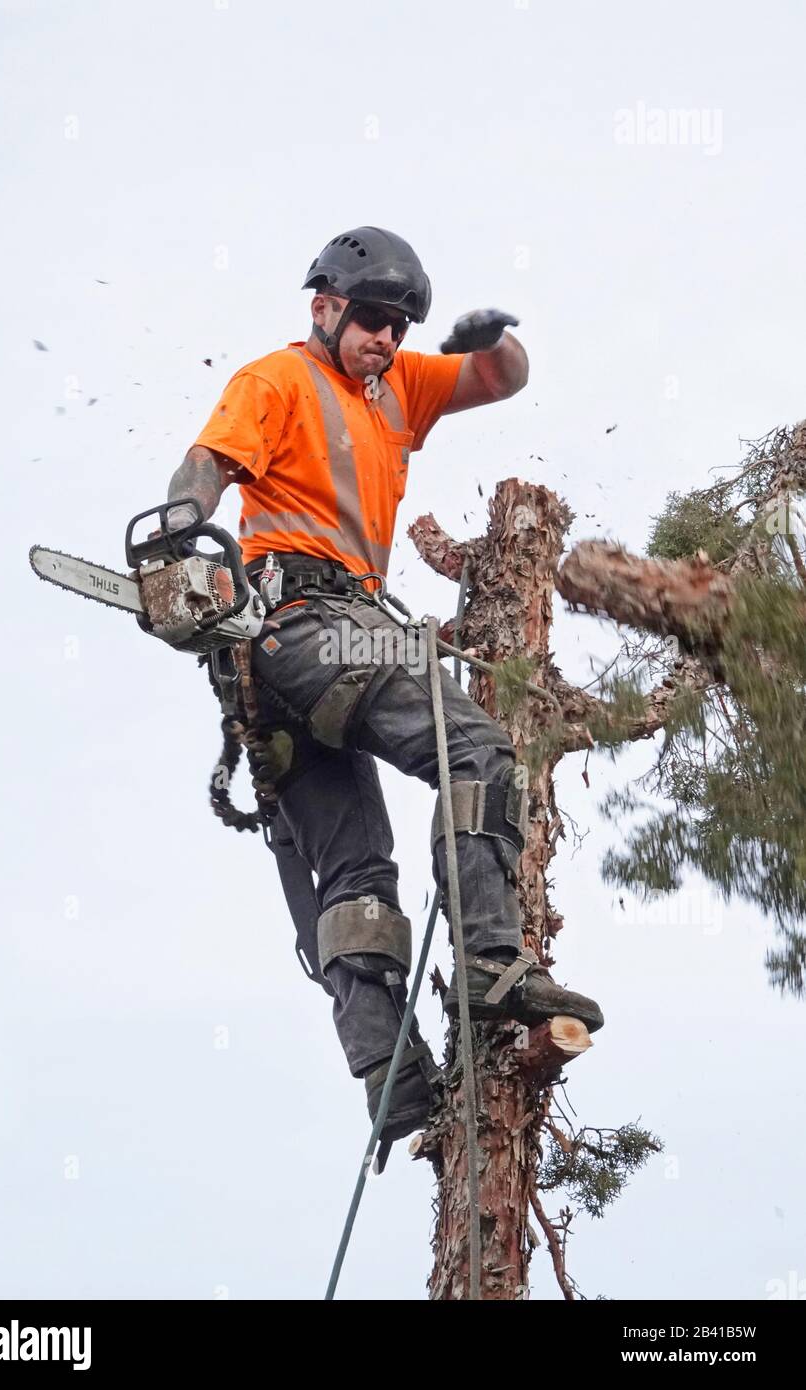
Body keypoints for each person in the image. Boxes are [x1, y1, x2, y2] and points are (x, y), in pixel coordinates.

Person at [165, 227, 603, 1148]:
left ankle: (390, 1077)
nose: (386, 339)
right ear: (324, 306)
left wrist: (489, 335)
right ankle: (492, 961)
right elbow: (206, 468)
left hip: (302, 657)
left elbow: (506, 377)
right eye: (371, 319)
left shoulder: (399, 386)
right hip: (303, 628)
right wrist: (175, 538)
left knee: (356, 871)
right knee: (474, 748)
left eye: (400, 325)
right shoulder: (275, 379)